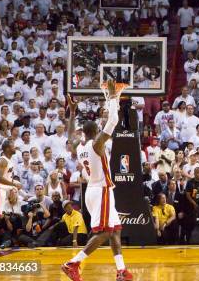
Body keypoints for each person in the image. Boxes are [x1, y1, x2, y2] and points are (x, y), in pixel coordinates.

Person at [61, 84, 133, 281]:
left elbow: (69, 136)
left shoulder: (79, 146)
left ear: (83, 133)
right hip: (101, 191)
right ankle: (73, 263)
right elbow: (114, 119)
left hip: (94, 191)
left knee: (115, 230)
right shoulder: (97, 143)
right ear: (96, 131)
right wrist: (111, 96)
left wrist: (73, 112)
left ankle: (121, 270)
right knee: (103, 233)